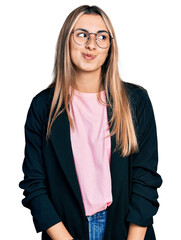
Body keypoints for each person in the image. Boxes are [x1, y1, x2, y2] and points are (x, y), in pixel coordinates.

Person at [19, 5, 162, 240]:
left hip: (126, 230)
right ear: (67, 40)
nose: (91, 44)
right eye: (82, 34)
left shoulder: (135, 101)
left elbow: (145, 180)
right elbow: (35, 185)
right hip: (65, 232)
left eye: (101, 37)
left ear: (109, 48)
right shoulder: (43, 107)